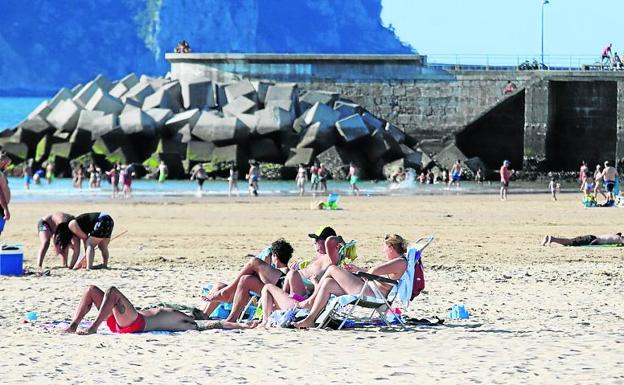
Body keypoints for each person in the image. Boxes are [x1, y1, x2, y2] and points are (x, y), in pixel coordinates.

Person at [294, 234, 408, 329]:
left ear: (391, 247)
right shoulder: (396, 262)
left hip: (373, 294)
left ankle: (311, 300)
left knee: (332, 269)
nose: (384, 251)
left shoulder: (400, 262)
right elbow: (375, 273)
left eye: (385, 248)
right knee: (328, 283)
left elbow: (374, 271)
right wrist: (358, 270)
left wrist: (361, 271)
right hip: (369, 288)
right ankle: (310, 319)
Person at [63, 285, 251, 335]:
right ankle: (73, 325)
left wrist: (244, 326)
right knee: (91, 290)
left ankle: (94, 327)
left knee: (112, 291)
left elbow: (216, 324)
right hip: (125, 320)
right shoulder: (182, 316)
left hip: (135, 323)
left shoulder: (190, 323)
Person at [257, 235, 344, 327]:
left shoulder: (329, 264)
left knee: (268, 287)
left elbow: (321, 289)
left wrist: (314, 283)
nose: (315, 243)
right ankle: (265, 318)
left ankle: (265, 321)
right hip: (300, 300)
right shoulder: (321, 262)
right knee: (291, 275)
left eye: (317, 240)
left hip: (300, 305)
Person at [200, 238, 294, 322]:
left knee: (254, 261)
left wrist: (265, 262)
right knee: (245, 279)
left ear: (275, 256)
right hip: (272, 291)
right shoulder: (274, 275)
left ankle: (227, 292)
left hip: (280, 289)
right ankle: (232, 318)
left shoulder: (285, 272)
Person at [542, 233, 624, 247]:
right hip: (591, 239)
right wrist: (590, 245)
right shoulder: (618, 238)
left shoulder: (615, 236)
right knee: (570, 242)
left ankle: (551, 238)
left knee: (570, 241)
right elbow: (596, 241)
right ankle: (552, 238)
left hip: (591, 237)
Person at [0, 153, 12, 236]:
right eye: (8, 164)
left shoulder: (1, 173)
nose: (8, 166)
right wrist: (6, 209)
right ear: (2, 162)